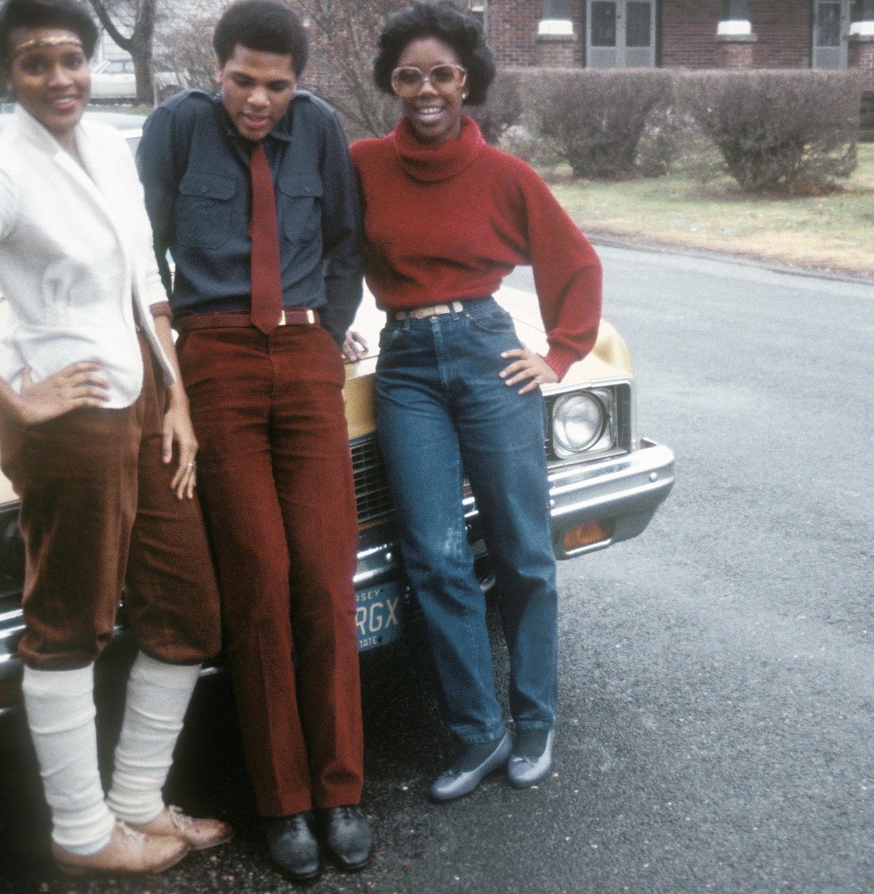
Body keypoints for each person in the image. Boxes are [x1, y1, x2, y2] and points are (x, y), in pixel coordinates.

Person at [0, 0, 231, 878]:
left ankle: (140, 801)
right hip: (71, 422)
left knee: (188, 608)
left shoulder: (111, 146)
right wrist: (18, 399)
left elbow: (145, 279)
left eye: (71, 59)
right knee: (70, 623)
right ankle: (81, 830)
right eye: (36, 63)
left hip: (145, 399)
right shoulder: (0, 172)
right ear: (7, 73)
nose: (60, 78)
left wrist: (178, 399)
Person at [136, 0, 371, 881]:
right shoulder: (178, 128)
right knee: (260, 581)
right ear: (218, 66)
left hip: (306, 355)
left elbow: (346, 241)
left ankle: (342, 788)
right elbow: (140, 251)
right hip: (216, 355)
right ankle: (284, 803)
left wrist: (324, 328)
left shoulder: (320, 130)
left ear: (298, 81)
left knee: (323, 572)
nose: (260, 101)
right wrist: (171, 363)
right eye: (244, 80)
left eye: (277, 85)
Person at [350, 0, 602, 803]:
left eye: (444, 74)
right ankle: (475, 731)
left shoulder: (505, 175)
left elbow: (578, 264)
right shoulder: (360, 164)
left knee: (522, 548)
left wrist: (557, 353)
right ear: (393, 83)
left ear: (468, 82)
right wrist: (329, 326)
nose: (427, 90)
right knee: (434, 556)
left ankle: (534, 718)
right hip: (406, 367)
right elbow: (321, 244)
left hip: (487, 353)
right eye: (410, 76)